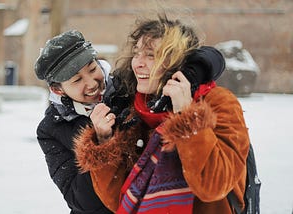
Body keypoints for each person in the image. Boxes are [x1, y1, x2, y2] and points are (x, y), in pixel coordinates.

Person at [73, 14, 250, 214]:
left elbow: (214, 186)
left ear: (178, 62)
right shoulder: (136, 111)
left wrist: (187, 117)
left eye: (151, 55)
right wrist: (104, 141)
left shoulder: (218, 104)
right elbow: (118, 201)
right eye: (137, 53)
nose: (138, 63)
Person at [34, 30, 113, 214]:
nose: (92, 83)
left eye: (93, 69)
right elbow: (81, 201)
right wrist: (101, 144)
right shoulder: (51, 130)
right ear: (58, 90)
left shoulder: (125, 91)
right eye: (77, 80)